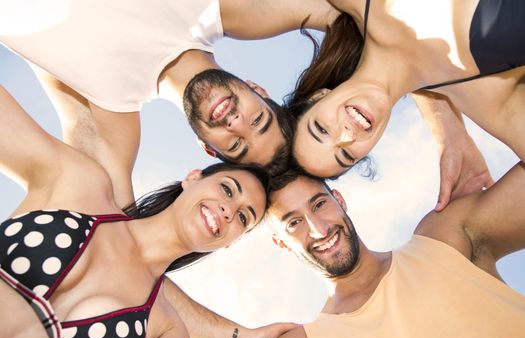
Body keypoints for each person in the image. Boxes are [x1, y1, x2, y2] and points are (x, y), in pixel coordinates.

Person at [0, 0, 490, 211]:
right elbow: (377, 27)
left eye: (236, 142)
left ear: (208, 150)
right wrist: (447, 125)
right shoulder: (228, 11)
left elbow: (111, 227)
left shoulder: (109, 114)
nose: (236, 122)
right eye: (259, 119)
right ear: (258, 87)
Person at [0, 85, 269, 338]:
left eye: (243, 218)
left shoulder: (168, 333)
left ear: (230, 243)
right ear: (192, 178)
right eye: (227, 189)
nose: (228, 210)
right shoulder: (80, 184)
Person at [265, 168, 525, 338]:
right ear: (281, 244)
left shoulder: (443, 237)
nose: (319, 229)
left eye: (319, 204)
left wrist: (447, 126)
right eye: (294, 222)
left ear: (339, 200)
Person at [287, 0, 524, 190]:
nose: (346, 135)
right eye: (346, 155)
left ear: (318, 97)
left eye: (322, 129)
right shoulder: (487, 98)